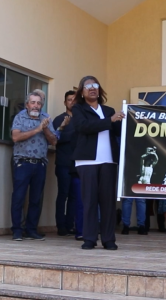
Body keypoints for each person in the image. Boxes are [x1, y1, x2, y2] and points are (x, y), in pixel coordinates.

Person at [72, 75, 123, 250]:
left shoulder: (109, 110)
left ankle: (109, 239)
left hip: (109, 161)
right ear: (82, 91)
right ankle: (90, 238)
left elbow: (118, 132)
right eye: (88, 86)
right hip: (87, 161)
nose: (93, 88)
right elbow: (83, 127)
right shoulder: (78, 109)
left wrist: (125, 120)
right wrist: (110, 121)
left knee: (108, 202)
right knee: (90, 201)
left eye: (95, 85)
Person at [10, 90, 58, 241]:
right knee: (18, 197)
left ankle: (31, 229)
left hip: (40, 164)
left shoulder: (46, 119)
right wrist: (37, 129)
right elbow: (16, 137)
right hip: (22, 163)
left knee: (36, 199)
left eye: (38, 103)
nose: (36, 106)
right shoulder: (20, 117)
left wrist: (44, 128)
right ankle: (17, 230)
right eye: (33, 102)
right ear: (27, 104)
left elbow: (54, 141)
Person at [53, 90, 76, 236]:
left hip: (78, 164)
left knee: (75, 196)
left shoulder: (81, 119)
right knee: (63, 194)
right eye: (69, 100)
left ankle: (70, 225)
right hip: (63, 163)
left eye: (74, 99)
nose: (72, 102)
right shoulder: (59, 119)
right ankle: (60, 226)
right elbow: (55, 139)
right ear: (65, 102)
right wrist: (74, 135)